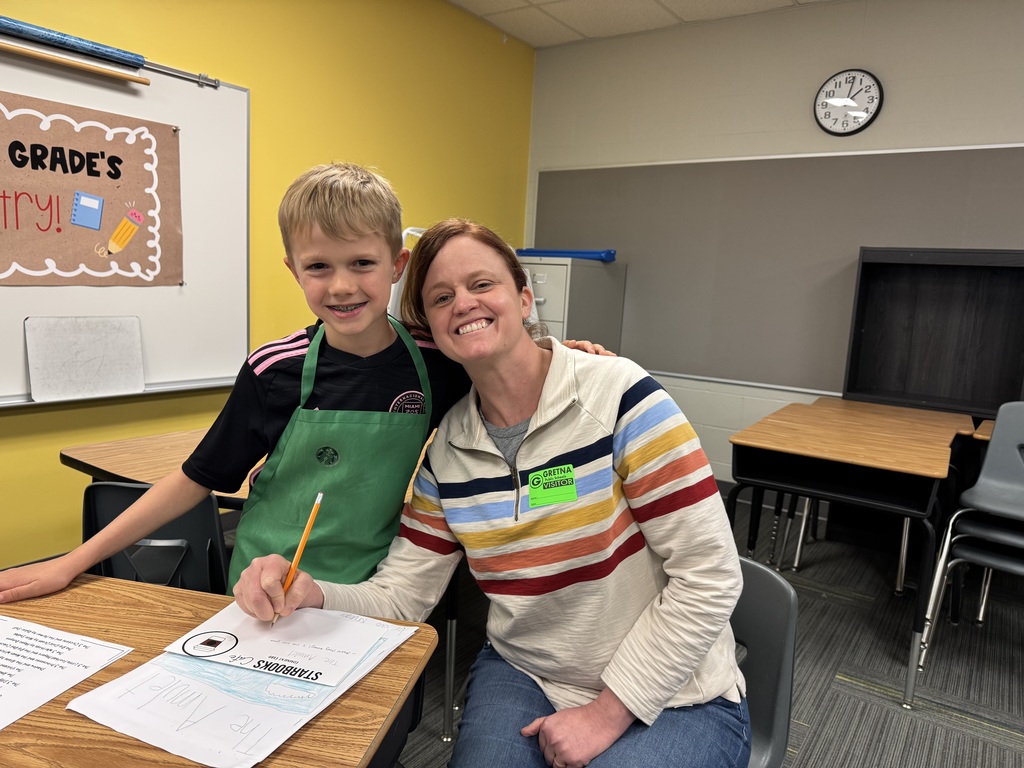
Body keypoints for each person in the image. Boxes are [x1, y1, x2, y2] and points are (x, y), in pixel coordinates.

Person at [233, 218, 751, 768]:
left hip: (672, 687)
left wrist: (607, 712)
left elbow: (711, 575)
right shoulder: (448, 452)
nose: (463, 303)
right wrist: (314, 592)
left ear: (524, 298)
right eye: (440, 296)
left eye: (482, 285)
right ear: (431, 326)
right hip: (526, 671)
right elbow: (402, 598)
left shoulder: (620, 397)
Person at [0, 164, 606, 603]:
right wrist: (73, 562)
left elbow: (505, 362)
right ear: (294, 271)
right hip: (263, 586)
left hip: (372, 589)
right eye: (319, 267)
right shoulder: (274, 370)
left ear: (397, 266)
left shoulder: (436, 361)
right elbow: (196, 480)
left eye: (362, 264)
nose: (341, 286)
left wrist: (562, 355)